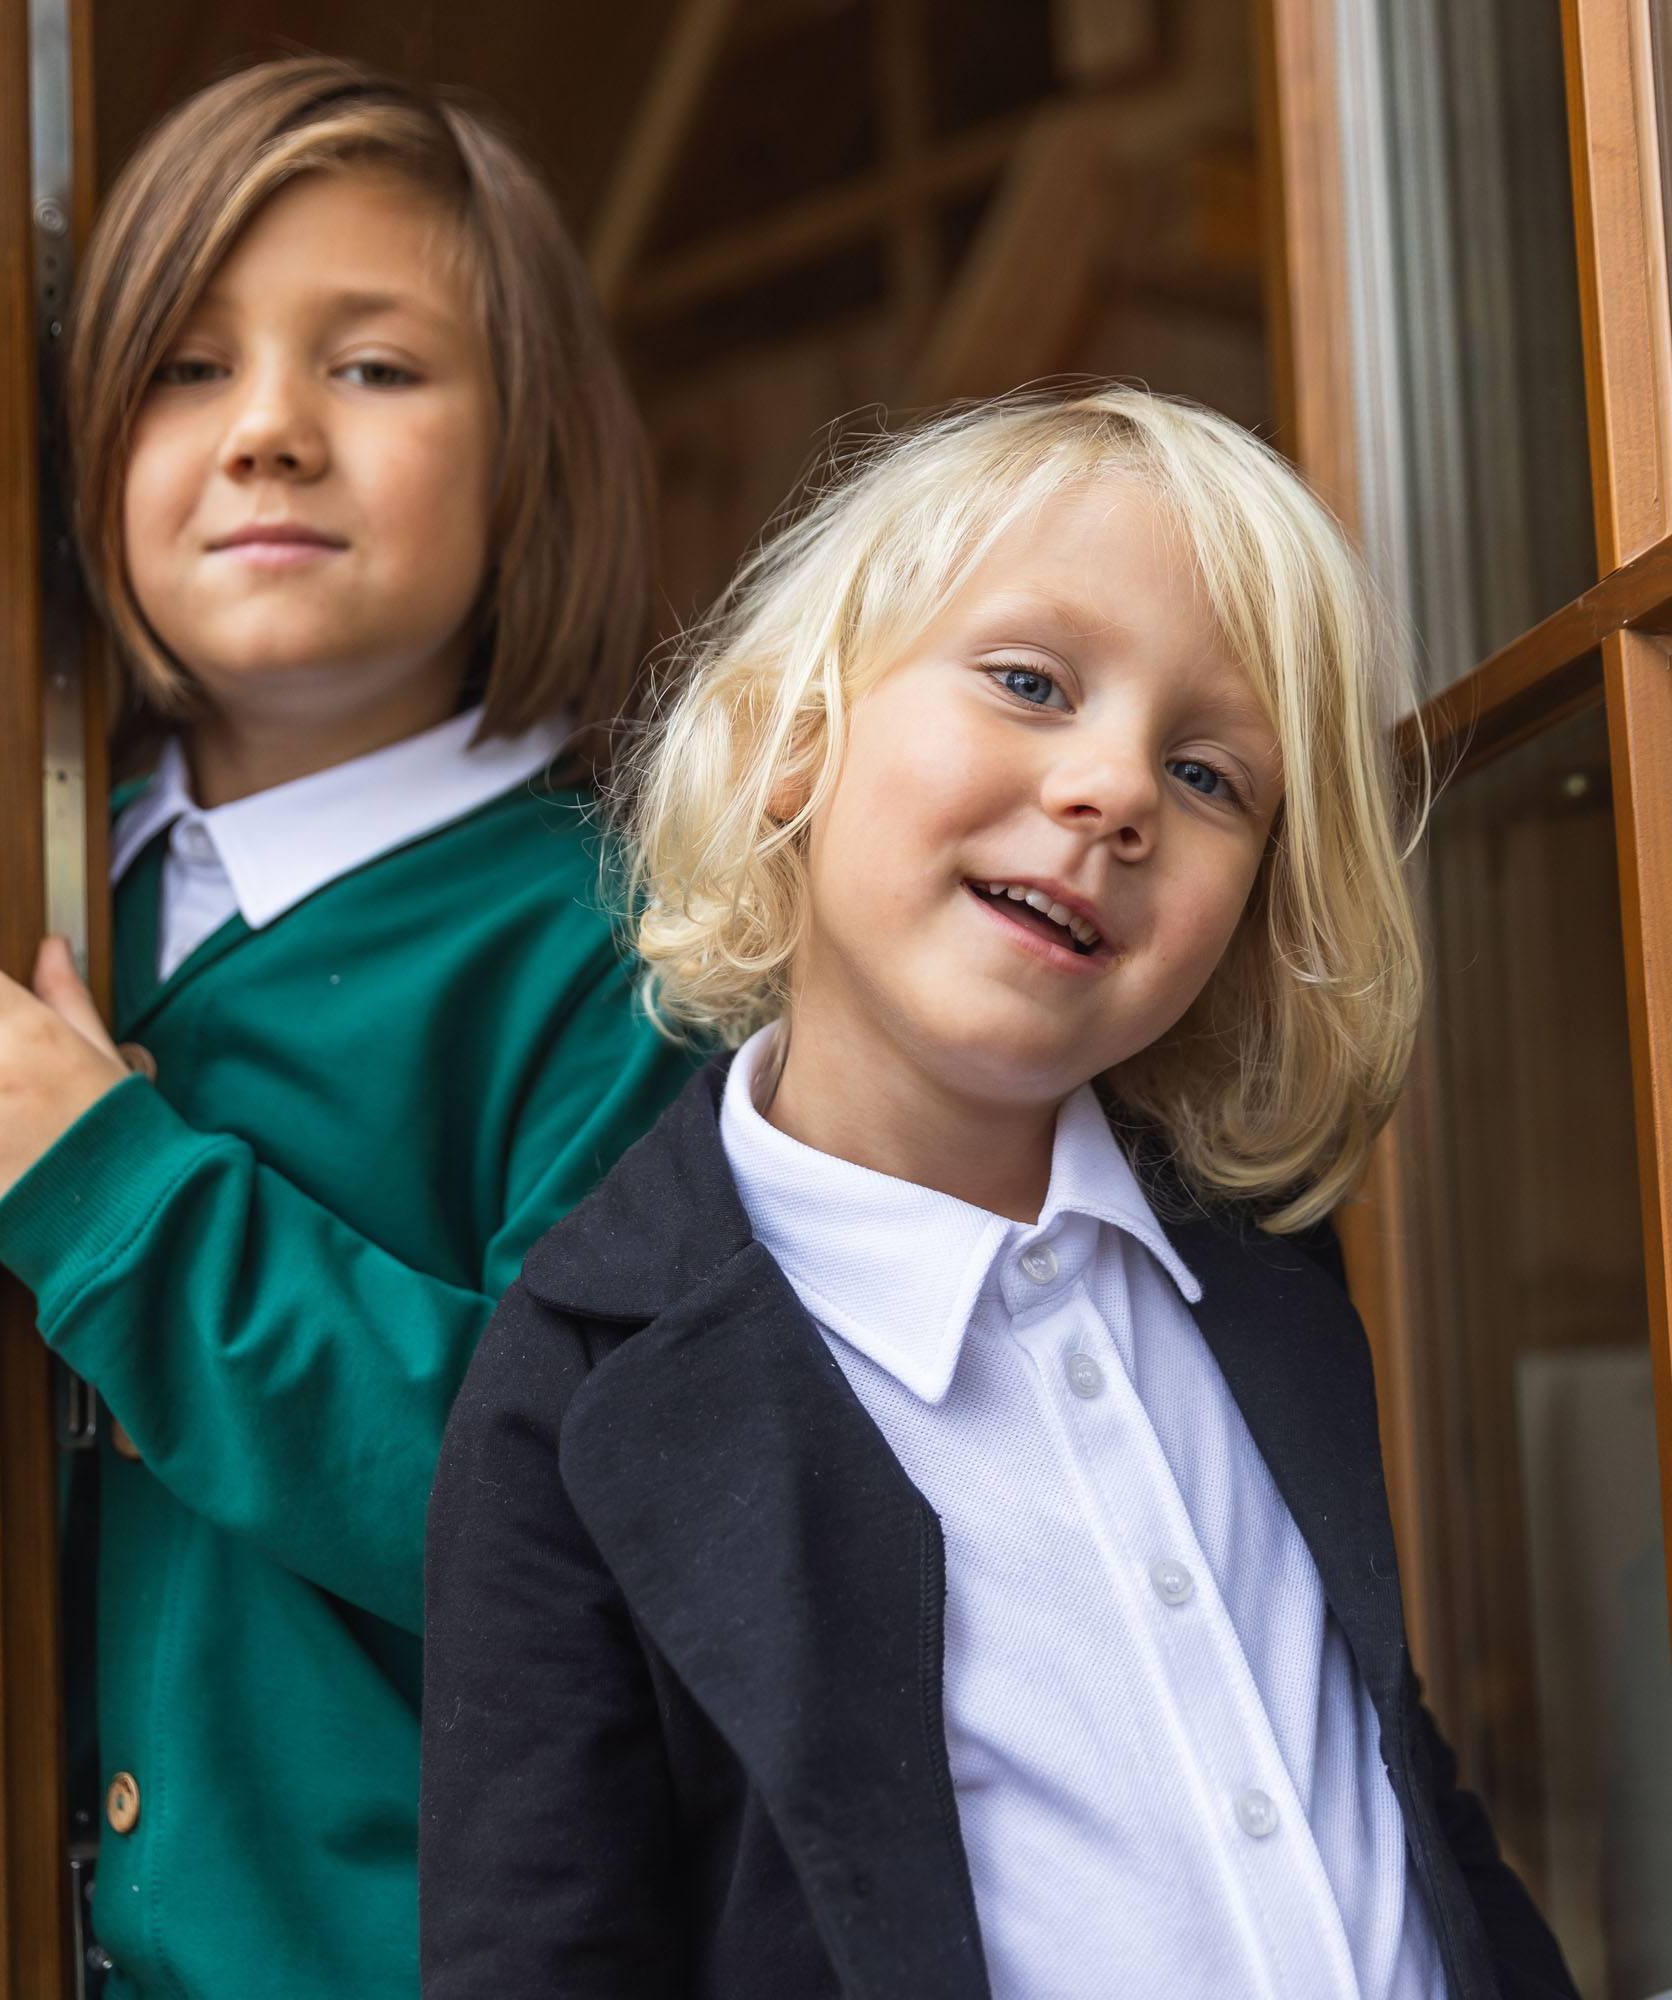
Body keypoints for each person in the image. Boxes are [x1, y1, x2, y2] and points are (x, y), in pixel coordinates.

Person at [418, 389, 1580, 1999]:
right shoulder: (580, 1391)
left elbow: (1388, 1784)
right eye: (1030, 682)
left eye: (1209, 774)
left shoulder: (1257, 1275)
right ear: (788, 743)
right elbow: (543, 1958)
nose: (1114, 791)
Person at [0, 56, 696, 1998]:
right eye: (185, 369)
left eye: (374, 368)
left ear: (529, 446)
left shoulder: (625, 953)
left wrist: (120, 1204)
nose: (272, 432)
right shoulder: (31, 903)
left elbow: (590, 1523)